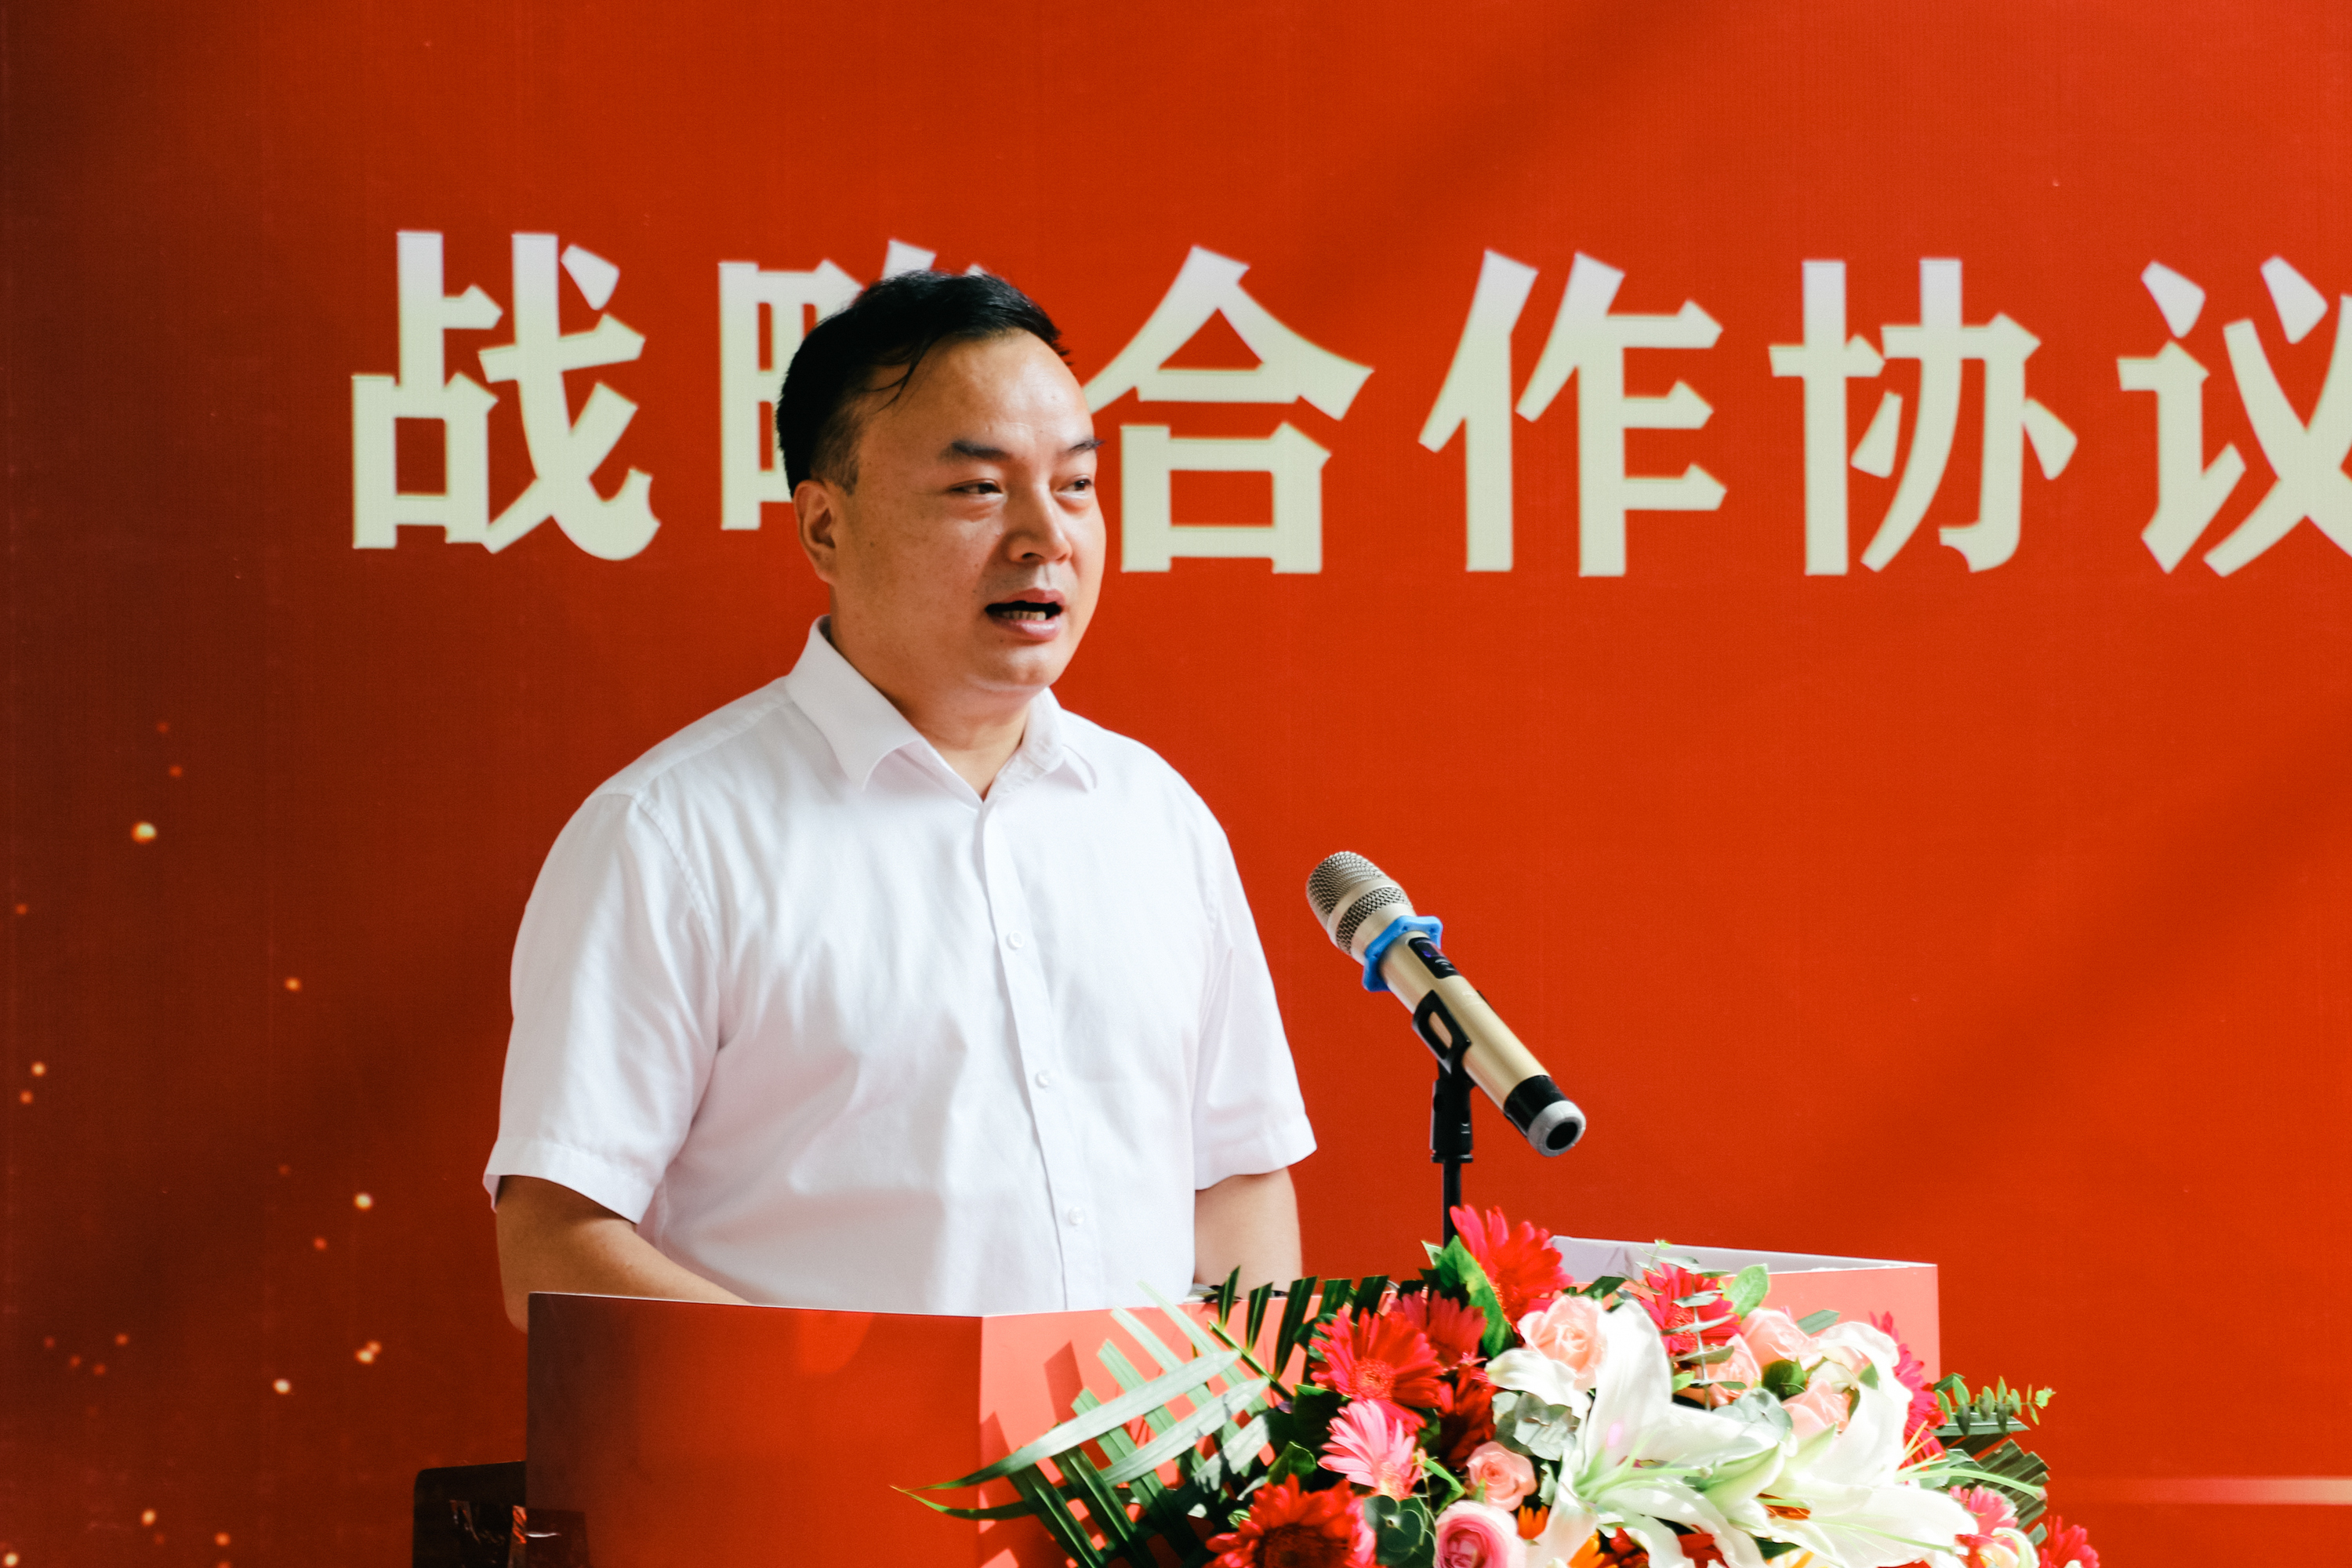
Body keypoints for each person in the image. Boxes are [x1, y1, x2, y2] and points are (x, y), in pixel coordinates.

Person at [483, 271, 1314, 1330]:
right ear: (825, 527)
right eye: (979, 489)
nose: (1047, 536)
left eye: (1076, 484)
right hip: (814, 1445)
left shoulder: (1156, 818)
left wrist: (1240, 1410)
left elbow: (1237, 1178)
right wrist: (842, 1402)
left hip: (1150, 1444)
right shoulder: (670, 836)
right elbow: (555, 1246)